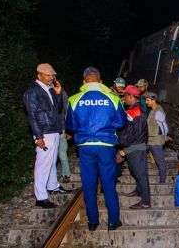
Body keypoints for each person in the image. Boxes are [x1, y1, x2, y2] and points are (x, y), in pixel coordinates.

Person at [65, 67, 126, 231]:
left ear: (84, 81)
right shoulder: (113, 98)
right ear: (100, 81)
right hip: (106, 146)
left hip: (85, 147)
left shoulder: (74, 99)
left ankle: (93, 222)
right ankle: (113, 221)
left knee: (89, 184)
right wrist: (107, 127)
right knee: (108, 183)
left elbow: (70, 125)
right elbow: (121, 122)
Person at [23, 63, 72, 209]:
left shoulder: (49, 90)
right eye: (48, 75)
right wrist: (38, 136)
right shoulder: (32, 92)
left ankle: (53, 186)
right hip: (44, 132)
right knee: (43, 164)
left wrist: (57, 94)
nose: (52, 78)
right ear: (39, 75)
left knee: (51, 162)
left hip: (53, 130)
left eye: (53, 75)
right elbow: (32, 115)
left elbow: (57, 110)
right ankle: (41, 197)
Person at [118, 85, 151, 209]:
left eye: (125, 95)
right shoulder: (134, 109)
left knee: (141, 174)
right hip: (134, 146)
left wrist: (123, 148)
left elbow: (133, 134)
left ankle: (146, 201)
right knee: (134, 170)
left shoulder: (135, 111)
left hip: (136, 147)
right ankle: (138, 190)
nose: (124, 98)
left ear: (131, 96)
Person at [145, 92, 168, 183]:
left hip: (156, 141)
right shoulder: (153, 110)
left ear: (153, 100)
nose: (146, 102)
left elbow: (164, 127)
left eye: (148, 100)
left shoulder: (158, 112)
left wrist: (164, 136)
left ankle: (162, 181)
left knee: (160, 162)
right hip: (150, 140)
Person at [58, 88, 71, 183]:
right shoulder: (40, 91)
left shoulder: (62, 93)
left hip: (61, 127)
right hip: (47, 130)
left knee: (62, 152)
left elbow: (67, 111)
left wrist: (69, 130)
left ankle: (66, 174)